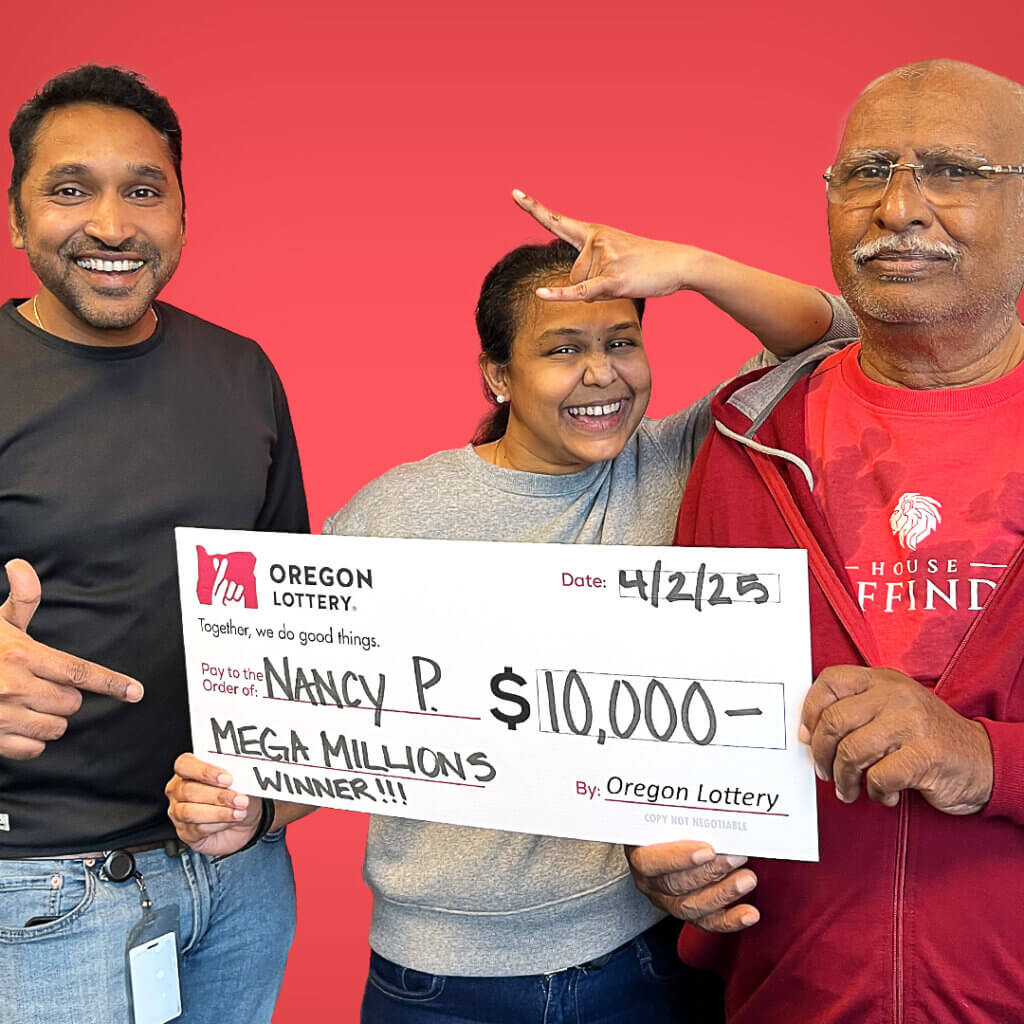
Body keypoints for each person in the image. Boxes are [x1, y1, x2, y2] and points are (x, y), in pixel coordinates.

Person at [167, 205, 856, 1021]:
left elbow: (836, 339)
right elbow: (329, 736)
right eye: (562, 349)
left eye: (621, 342)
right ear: (498, 375)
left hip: (640, 958)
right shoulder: (396, 515)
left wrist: (690, 267)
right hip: (434, 979)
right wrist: (247, 813)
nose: (600, 373)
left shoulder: (683, 459)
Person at [617, 60, 1024, 1022]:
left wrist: (983, 760)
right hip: (791, 993)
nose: (899, 208)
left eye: (953, 171)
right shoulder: (746, 436)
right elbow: (675, 707)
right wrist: (662, 846)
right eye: (867, 171)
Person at [0, 66, 308, 1024]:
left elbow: (295, 625)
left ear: (180, 213)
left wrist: (266, 807)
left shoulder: (242, 371)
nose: (111, 224)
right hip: (36, 887)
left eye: (143, 190)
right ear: (15, 218)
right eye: (70, 189)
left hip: (238, 869)